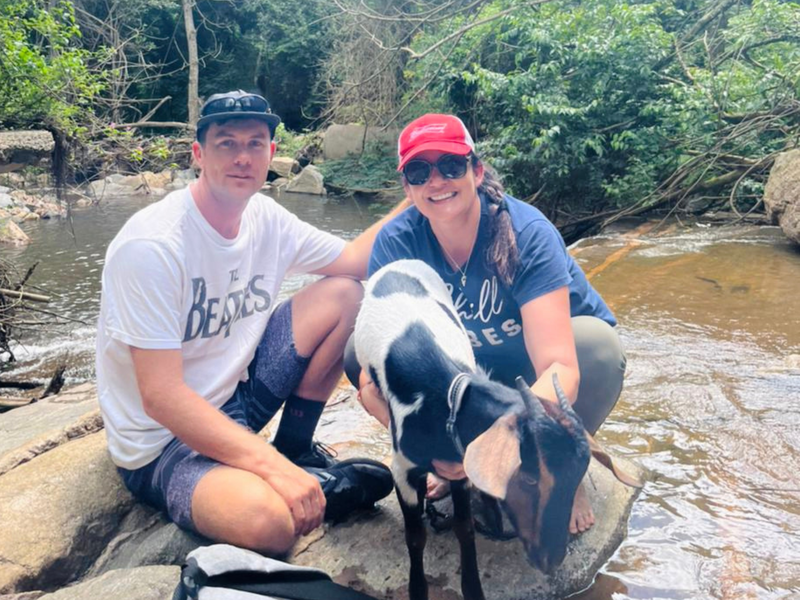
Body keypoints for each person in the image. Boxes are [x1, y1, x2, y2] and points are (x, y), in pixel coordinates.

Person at [96, 90, 406, 554]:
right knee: (270, 524)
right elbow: (161, 397)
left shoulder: (265, 217)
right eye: (227, 143)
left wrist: (423, 191)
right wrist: (274, 474)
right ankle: (300, 479)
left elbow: (354, 260)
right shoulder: (152, 246)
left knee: (344, 294)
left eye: (255, 144)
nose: (242, 157)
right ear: (198, 153)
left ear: (272, 154)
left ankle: (295, 449)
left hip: (236, 399)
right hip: (164, 444)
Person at [345, 114, 625, 535]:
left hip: (536, 363)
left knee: (597, 347)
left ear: (476, 171)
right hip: (467, 372)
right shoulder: (397, 241)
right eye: (420, 172)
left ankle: (563, 471)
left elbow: (559, 365)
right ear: (407, 188)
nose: (436, 182)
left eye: (451, 167)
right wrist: (432, 451)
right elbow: (373, 382)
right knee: (356, 354)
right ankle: (459, 461)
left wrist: (496, 444)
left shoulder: (526, 232)